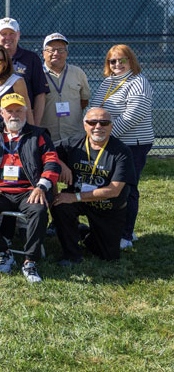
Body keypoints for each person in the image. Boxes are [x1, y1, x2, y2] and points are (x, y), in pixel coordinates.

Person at [0, 93, 60, 283]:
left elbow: (52, 164)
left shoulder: (38, 135)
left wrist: (41, 187)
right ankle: (4, 252)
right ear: (1, 113)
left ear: (26, 112)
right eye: (10, 111)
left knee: (39, 212)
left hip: (29, 191)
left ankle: (30, 261)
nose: (14, 115)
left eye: (19, 111)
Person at [89, 44, 153, 249]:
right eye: (112, 61)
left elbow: (133, 115)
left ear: (131, 61)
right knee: (111, 188)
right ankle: (110, 229)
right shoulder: (108, 82)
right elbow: (95, 109)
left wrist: (104, 136)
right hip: (111, 142)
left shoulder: (138, 82)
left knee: (127, 189)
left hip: (133, 144)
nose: (117, 64)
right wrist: (94, 130)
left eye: (121, 60)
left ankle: (126, 234)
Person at [52, 108, 134, 264]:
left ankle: (83, 232)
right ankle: (72, 255)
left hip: (107, 205)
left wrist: (75, 197)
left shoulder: (122, 152)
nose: (98, 126)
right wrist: (60, 164)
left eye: (104, 122)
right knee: (60, 204)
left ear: (111, 126)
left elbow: (114, 190)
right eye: (92, 122)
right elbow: (45, 149)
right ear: (84, 125)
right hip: (76, 199)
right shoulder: (73, 143)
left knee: (107, 255)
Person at [0, 18, 50, 125]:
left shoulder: (31, 58)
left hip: (24, 121)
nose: (8, 37)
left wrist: (35, 125)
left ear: (18, 35)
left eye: (12, 33)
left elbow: (40, 94)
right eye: (3, 34)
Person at [40, 32, 91, 144]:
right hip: (46, 137)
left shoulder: (78, 73)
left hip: (74, 136)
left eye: (61, 50)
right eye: (51, 50)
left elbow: (84, 101)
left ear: (66, 53)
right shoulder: (37, 74)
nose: (56, 53)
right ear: (44, 53)